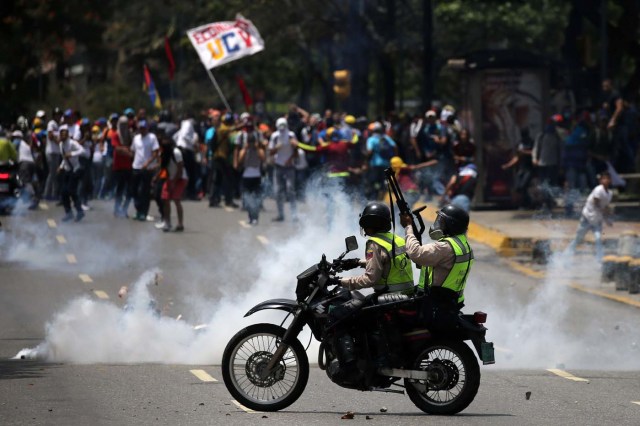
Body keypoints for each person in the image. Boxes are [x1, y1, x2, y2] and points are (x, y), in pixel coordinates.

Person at [400, 204, 473, 329]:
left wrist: (408, 227)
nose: (439, 224)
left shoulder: (445, 247)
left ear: (451, 225)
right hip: (451, 301)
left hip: (434, 303)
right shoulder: (463, 244)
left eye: (442, 222)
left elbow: (415, 253)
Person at [566, 172, 613, 260]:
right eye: (604, 178)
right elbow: (597, 204)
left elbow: (605, 207)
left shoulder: (610, 194)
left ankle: (600, 259)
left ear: (610, 180)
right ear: (600, 181)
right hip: (587, 217)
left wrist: (607, 219)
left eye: (607, 178)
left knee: (598, 238)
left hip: (597, 220)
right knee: (578, 239)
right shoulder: (598, 189)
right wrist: (606, 216)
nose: (606, 180)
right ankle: (566, 254)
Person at [269, 117, 298, 221]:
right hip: (278, 166)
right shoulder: (275, 136)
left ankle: (294, 214)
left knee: (290, 189)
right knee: (278, 191)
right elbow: (271, 152)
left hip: (289, 166)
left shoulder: (291, 135)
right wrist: (277, 148)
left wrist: (290, 159)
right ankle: (280, 214)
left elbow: (296, 151)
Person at [129, 120, 160, 221]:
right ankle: (138, 209)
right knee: (134, 190)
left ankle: (144, 212)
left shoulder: (152, 137)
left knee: (145, 191)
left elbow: (155, 152)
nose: (142, 130)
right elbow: (133, 151)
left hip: (147, 168)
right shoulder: (136, 138)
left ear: (147, 128)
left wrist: (148, 162)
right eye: (140, 128)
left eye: (143, 128)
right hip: (136, 167)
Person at [57, 125, 86, 222]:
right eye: (61, 133)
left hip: (75, 170)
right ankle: (68, 213)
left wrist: (72, 154)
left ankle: (80, 211)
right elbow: (64, 158)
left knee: (71, 191)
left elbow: (82, 150)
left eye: (65, 133)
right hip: (67, 170)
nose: (63, 135)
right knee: (64, 192)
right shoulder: (61, 145)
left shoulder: (72, 143)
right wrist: (61, 166)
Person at [160, 138, 187, 232]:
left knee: (176, 200)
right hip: (170, 178)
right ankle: (167, 222)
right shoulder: (163, 153)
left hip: (180, 178)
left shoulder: (176, 152)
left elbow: (180, 169)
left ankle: (180, 224)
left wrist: (174, 182)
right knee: (165, 199)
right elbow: (164, 168)